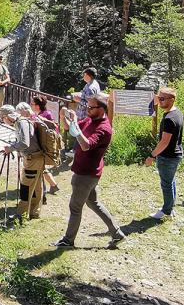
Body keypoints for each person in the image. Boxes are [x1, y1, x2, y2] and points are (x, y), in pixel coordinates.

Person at [53, 93, 126, 249]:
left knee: (75, 207)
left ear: (101, 109)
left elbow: (86, 145)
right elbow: (71, 128)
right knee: (93, 203)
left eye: (91, 107)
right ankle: (117, 233)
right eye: (87, 106)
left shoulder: (104, 128)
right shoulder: (90, 119)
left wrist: (76, 126)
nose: (87, 109)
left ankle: (68, 240)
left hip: (86, 174)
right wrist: (65, 117)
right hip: (87, 172)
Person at [0, 106, 45, 221]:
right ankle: (34, 212)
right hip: (36, 158)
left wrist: (11, 148)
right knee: (36, 187)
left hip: (32, 159)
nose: (2, 121)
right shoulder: (21, 122)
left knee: (26, 186)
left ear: (8, 117)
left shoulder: (21, 123)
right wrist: (14, 147)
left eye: (2, 118)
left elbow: (24, 143)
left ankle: (21, 214)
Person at [144, 86, 184, 220]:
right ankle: (170, 207)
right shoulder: (177, 112)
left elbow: (164, 142)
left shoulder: (169, 119)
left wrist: (152, 155)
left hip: (168, 157)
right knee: (170, 182)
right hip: (175, 155)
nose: (159, 101)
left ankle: (166, 211)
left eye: (162, 99)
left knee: (166, 184)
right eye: (158, 98)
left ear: (172, 100)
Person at [65, 67, 101, 157]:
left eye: (84, 75)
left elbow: (89, 103)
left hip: (85, 114)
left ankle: (75, 151)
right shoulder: (94, 84)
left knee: (79, 130)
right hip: (87, 113)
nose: (83, 77)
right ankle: (76, 150)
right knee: (82, 131)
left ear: (89, 75)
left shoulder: (90, 87)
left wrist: (78, 100)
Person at [29, 95, 60, 195]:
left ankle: (48, 188)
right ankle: (52, 186)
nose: (31, 105)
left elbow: (50, 131)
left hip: (44, 145)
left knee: (40, 167)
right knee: (41, 167)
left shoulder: (46, 115)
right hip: (39, 145)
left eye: (32, 104)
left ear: (38, 106)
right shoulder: (36, 114)